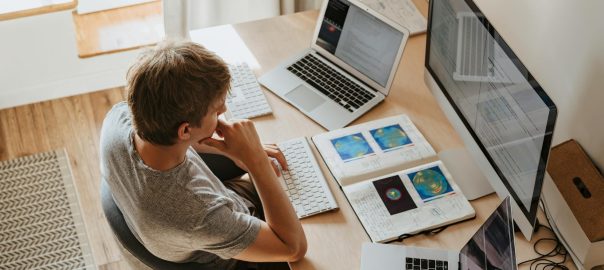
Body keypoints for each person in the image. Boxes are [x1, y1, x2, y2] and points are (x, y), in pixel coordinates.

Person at [99, 40, 307, 269]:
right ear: (185, 130)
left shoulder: (118, 120)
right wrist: (255, 160)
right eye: (217, 110)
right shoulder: (200, 214)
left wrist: (233, 149)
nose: (224, 111)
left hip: (195, 222)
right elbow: (293, 248)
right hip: (240, 255)